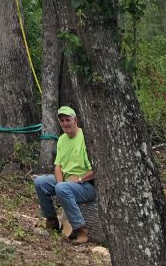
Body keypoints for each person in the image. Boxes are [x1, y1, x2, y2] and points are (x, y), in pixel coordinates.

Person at [33, 105, 95, 245]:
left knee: (62, 188)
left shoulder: (85, 138)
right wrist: (60, 184)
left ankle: (81, 230)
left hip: (86, 185)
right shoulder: (62, 139)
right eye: (62, 121)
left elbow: (96, 171)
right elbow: (58, 166)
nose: (65, 123)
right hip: (67, 182)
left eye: (68, 120)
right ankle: (52, 220)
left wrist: (78, 180)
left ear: (75, 120)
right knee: (40, 182)